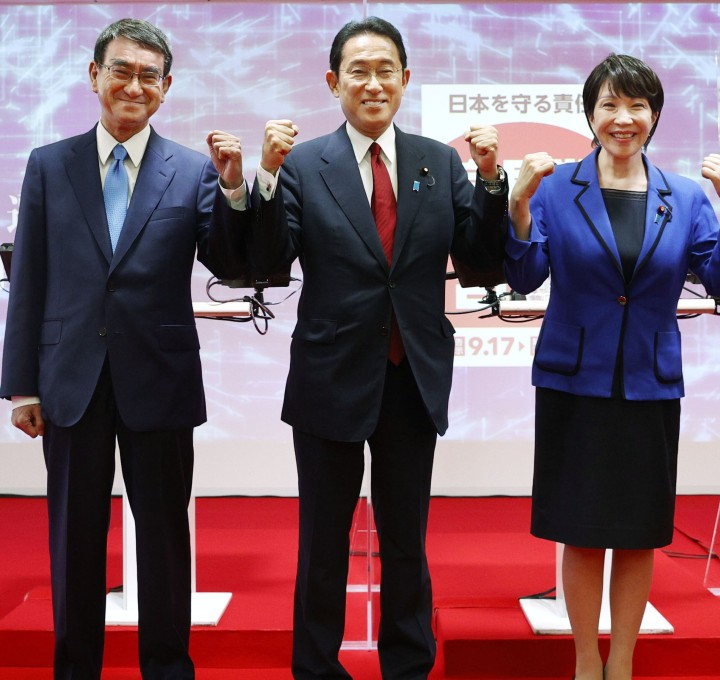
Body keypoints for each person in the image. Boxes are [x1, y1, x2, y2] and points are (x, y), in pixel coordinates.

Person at [231, 16, 508, 680]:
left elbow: (477, 262)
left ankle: (407, 665)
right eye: (359, 70)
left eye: (387, 69)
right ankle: (317, 668)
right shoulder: (302, 163)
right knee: (322, 543)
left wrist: (493, 181)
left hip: (410, 374)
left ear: (406, 80)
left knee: (406, 542)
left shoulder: (440, 162)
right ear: (333, 83)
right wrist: (264, 178)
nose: (374, 82)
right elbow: (268, 263)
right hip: (330, 375)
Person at [0, 17, 248, 680]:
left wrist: (232, 187)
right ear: (94, 76)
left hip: (159, 380)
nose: (133, 85)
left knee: (166, 541)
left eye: (148, 75)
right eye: (121, 69)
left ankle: (167, 668)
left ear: (165, 89)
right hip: (69, 379)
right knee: (74, 541)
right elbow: (30, 278)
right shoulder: (49, 165)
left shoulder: (194, 169)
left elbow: (230, 262)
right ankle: (74, 668)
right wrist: (21, 384)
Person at [505, 54, 720, 680]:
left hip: (649, 382)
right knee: (582, 529)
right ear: (590, 115)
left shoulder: (685, 195)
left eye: (636, 106)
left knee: (640, 531)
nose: (623, 119)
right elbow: (523, 273)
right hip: (573, 380)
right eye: (609, 105)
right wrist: (516, 206)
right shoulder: (559, 187)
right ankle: (586, 661)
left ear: (655, 116)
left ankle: (623, 661)